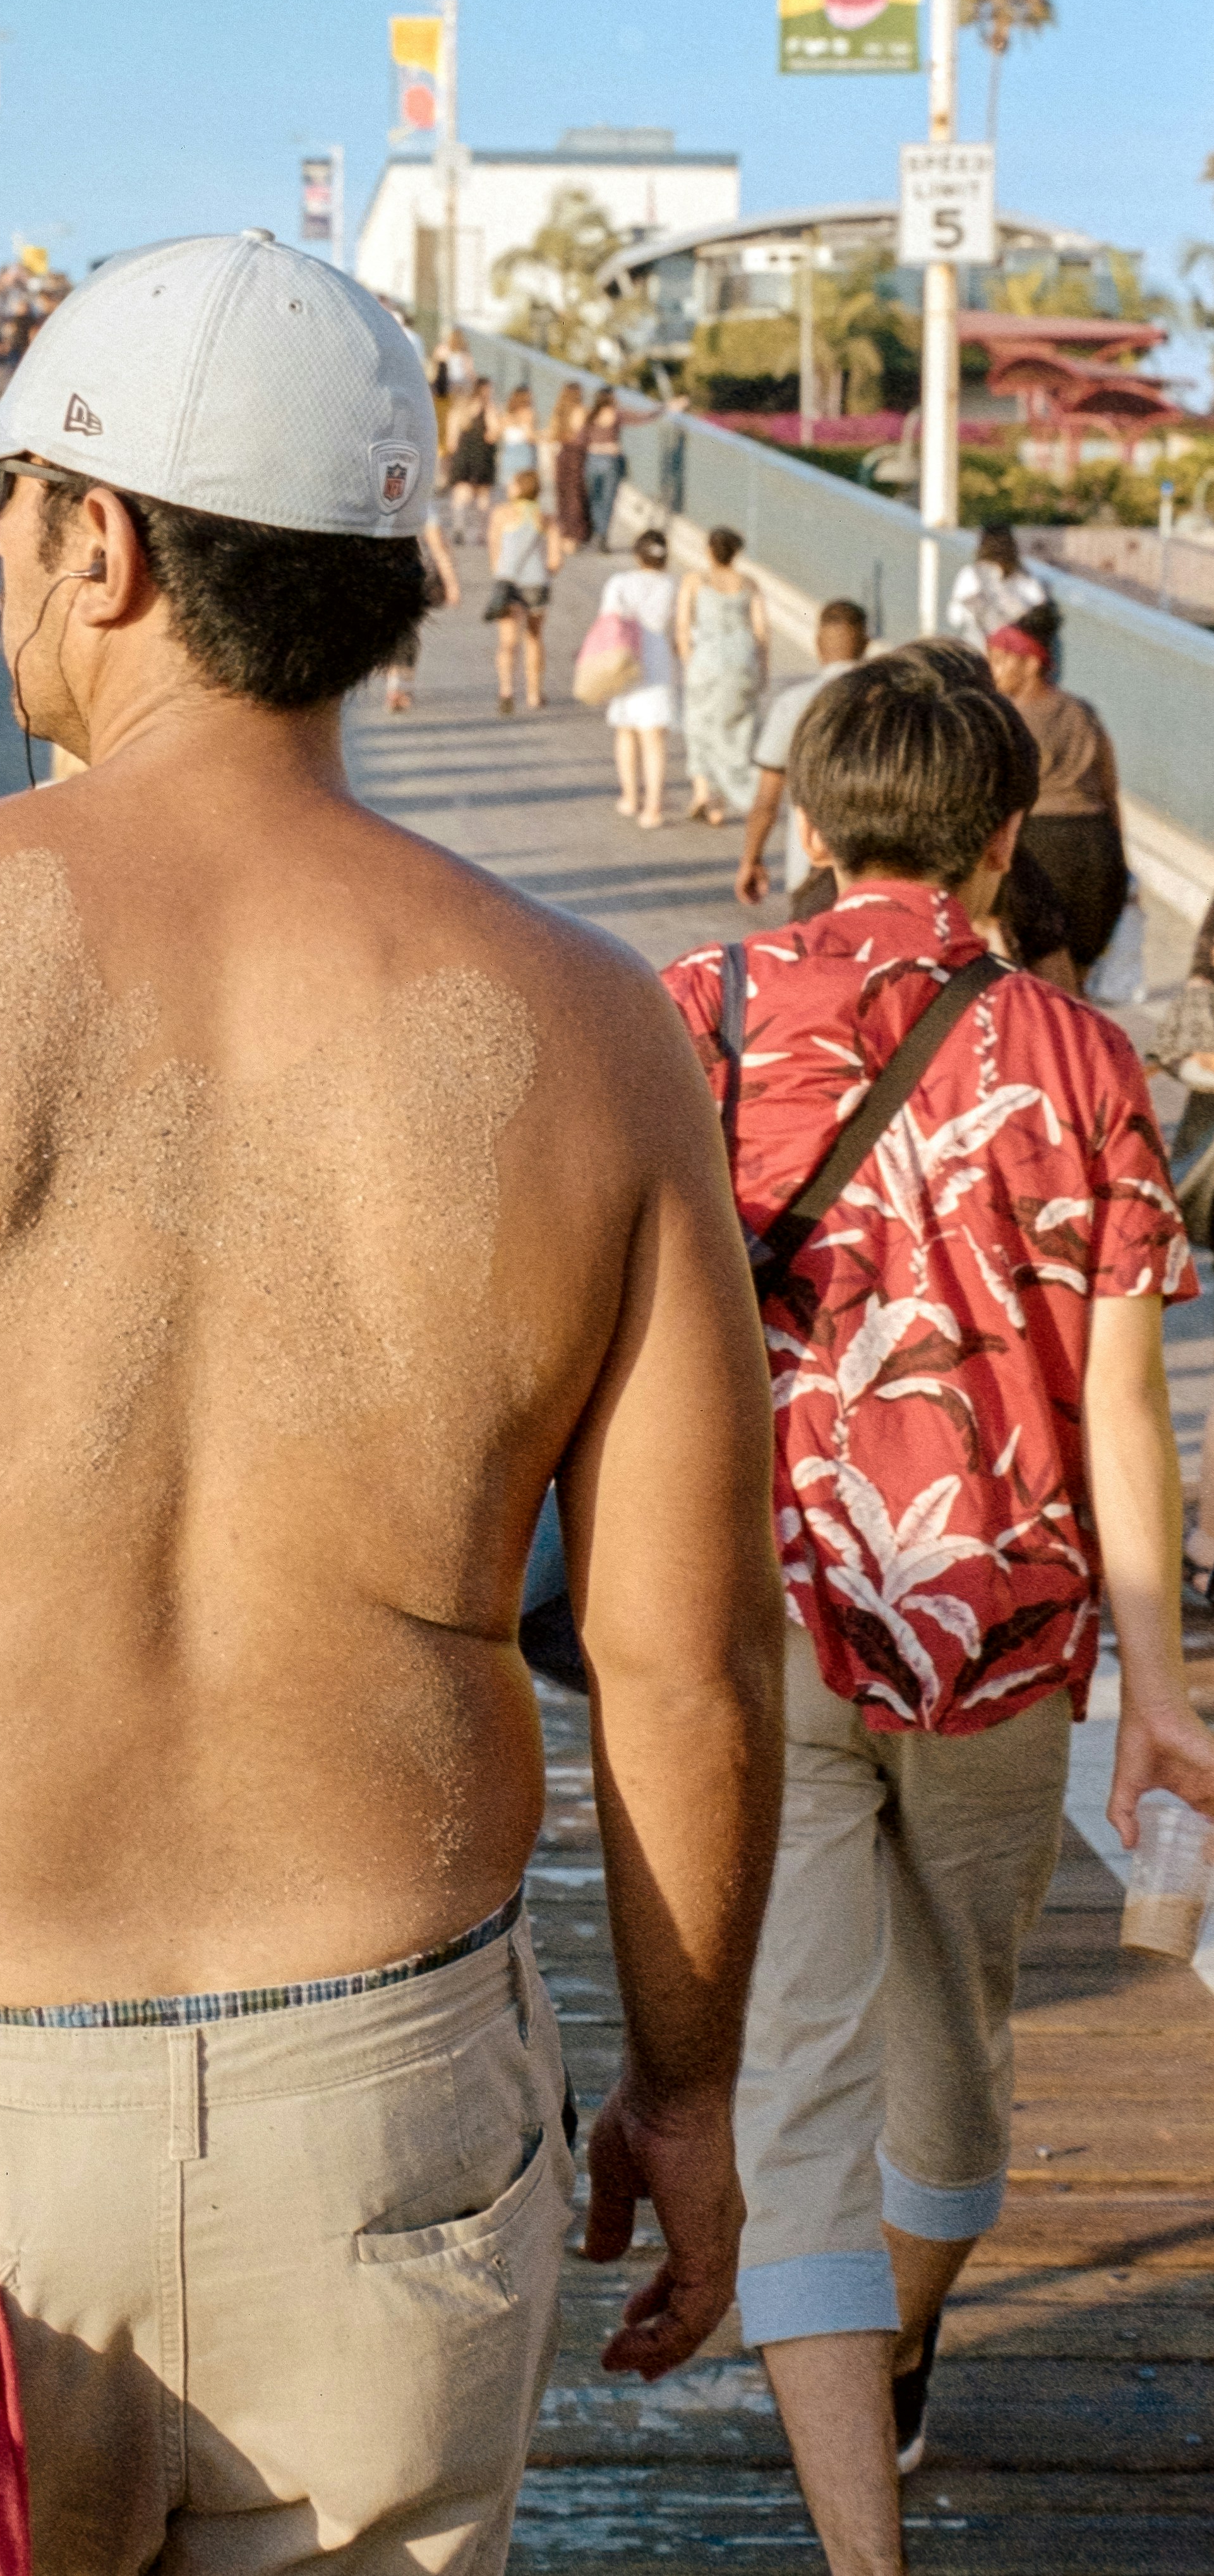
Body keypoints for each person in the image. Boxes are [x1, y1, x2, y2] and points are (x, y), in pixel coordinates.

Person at [0, 227, 783, 2575]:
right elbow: (685, 1660)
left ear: (104, 543)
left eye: (7, 507)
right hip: (381, 2099)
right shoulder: (598, 1029)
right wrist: (692, 2092)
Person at [662, 646, 1211, 2573]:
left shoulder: (702, 1013)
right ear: (1002, 841)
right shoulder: (1089, 1062)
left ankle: (858, 2529)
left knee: (797, 2070)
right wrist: (1162, 1690)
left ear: (811, 821)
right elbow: (1124, 1408)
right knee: (956, 2052)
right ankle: (891, 2346)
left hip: (766, 1616)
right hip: (1006, 1636)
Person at [985, 615, 1127, 984]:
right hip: (1098, 850)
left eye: (1000, 660)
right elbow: (1110, 792)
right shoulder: (1083, 713)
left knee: (1041, 981)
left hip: (1039, 850)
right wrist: (1120, 863)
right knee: (1077, 981)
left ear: (1032, 663)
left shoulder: (1005, 720)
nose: (992, 670)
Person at [736, 600, 872, 909]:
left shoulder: (794, 704)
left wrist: (751, 860)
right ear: (865, 644)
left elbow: (766, 802)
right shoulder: (888, 703)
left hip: (811, 872)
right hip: (876, 875)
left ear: (818, 644)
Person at [675, 525, 769, 827]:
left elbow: (683, 628)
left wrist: (689, 663)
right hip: (742, 662)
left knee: (699, 726)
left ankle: (703, 794)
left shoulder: (695, 581)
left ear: (709, 551)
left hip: (706, 662)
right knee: (735, 731)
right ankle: (722, 802)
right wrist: (763, 671)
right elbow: (762, 633)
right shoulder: (749, 585)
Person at [598, 526, 678, 830]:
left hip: (626, 657)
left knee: (626, 730)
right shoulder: (673, 586)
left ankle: (630, 797)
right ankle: (653, 806)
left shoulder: (620, 582)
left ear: (637, 555)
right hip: (658, 660)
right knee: (654, 737)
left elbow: (608, 618)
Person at [483, 466, 563, 714]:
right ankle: (534, 694)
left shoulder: (501, 513)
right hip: (537, 584)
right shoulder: (546, 518)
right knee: (534, 638)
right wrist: (542, 573)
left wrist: (501, 573)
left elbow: (495, 551)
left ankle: (507, 691)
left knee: (508, 642)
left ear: (520, 488)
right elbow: (555, 561)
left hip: (509, 584)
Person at [379, 514, 460, 713]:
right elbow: (441, 551)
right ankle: (399, 688)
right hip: (398, 582)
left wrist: (452, 585)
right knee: (402, 636)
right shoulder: (420, 510)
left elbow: (439, 551)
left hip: (408, 583)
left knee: (402, 635)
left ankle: (397, 688)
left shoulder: (420, 513)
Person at [947, 523, 1047, 652]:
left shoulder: (971, 574)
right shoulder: (1025, 576)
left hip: (981, 648)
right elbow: (1040, 607)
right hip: (1016, 650)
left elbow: (955, 618)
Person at [442, 376, 496, 543]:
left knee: (460, 494)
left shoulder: (458, 410)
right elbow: (493, 434)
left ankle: (459, 527)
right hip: (482, 456)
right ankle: (482, 533)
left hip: (462, 456)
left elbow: (451, 443)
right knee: (482, 496)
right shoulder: (487, 408)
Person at [550, 382, 592, 551]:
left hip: (562, 454)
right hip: (577, 456)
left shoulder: (559, 412)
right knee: (576, 496)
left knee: (563, 495)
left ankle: (564, 534)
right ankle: (574, 537)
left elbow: (553, 434)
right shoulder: (581, 411)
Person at [584, 391, 627, 552]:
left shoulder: (590, 416)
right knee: (607, 499)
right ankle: (602, 535)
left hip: (592, 460)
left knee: (594, 498)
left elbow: (581, 437)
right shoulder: (617, 415)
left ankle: (596, 532)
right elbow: (642, 417)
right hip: (609, 461)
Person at [495, 382, 539, 492]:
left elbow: (497, 434)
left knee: (510, 487)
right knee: (525, 487)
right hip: (523, 453)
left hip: (508, 453)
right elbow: (530, 437)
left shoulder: (506, 416)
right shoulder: (529, 414)